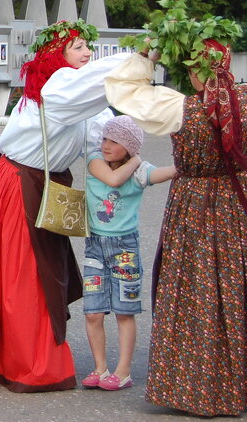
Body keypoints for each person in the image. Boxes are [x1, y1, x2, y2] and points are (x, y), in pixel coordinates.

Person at [0, 20, 129, 392]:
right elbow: (102, 80)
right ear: (57, 56)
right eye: (79, 47)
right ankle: (27, 364)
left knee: (32, 271)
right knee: (25, 273)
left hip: (39, 184)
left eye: (89, 48)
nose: (88, 54)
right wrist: (140, 58)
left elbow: (101, 139)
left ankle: (8, 357)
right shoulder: (57, 87)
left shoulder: (77, 96)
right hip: (19, 183)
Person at [106, 40, 247, 416]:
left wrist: (148, 55)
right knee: (244, 284)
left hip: (195, 203)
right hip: (241, 198)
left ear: (194, 71)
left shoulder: (178, 108)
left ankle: (200, 387)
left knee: (196, 287)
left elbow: (123, 91)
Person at [79, 114, 175, 392]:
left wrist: (186, 167)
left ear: (129, 146)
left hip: (125, 249)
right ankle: (100, 367)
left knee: (124, 311)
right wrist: (135, 160)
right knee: (93, 311)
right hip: (95, 246)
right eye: (106, 138)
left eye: (115, 141)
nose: (106, 144)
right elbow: (112, 179)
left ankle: (123, 371)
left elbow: (163, 173)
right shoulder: (95, 160)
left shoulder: (140, 171)